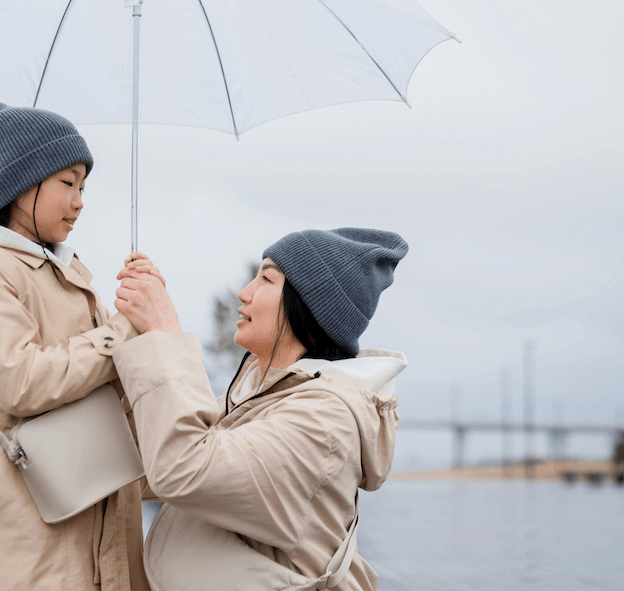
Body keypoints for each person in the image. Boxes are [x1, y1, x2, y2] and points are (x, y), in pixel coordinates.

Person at [111, 228, 408, 591]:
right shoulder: (255, 397)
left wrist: (164, 333)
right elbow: (144, 469)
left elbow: (184, 468)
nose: (244, 292)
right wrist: (131, 347)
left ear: (307, 307)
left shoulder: (324, 422)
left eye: (266, 278)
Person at [0, 103, 148, 591]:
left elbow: (112, 376)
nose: (79, 202)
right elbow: (21, 382)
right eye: (67, 184)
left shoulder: (64, 272)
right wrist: (121, 329)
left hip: (78, 497)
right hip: (13, 510)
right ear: (20, 184)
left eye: (83, 187)